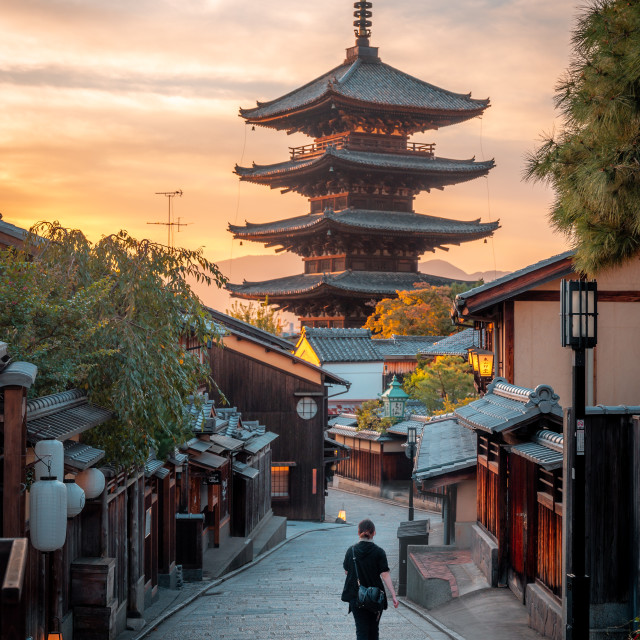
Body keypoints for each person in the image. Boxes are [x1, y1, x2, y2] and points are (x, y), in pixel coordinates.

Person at [342, 518, 399, 640]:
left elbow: (347, 571)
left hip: (357, 597)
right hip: (375, 598)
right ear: (374, 533)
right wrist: (393, 595)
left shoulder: (351, 551)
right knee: (374, 631)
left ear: (358, 532)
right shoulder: (379, 552)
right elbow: (385, 575)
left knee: (361, 631)